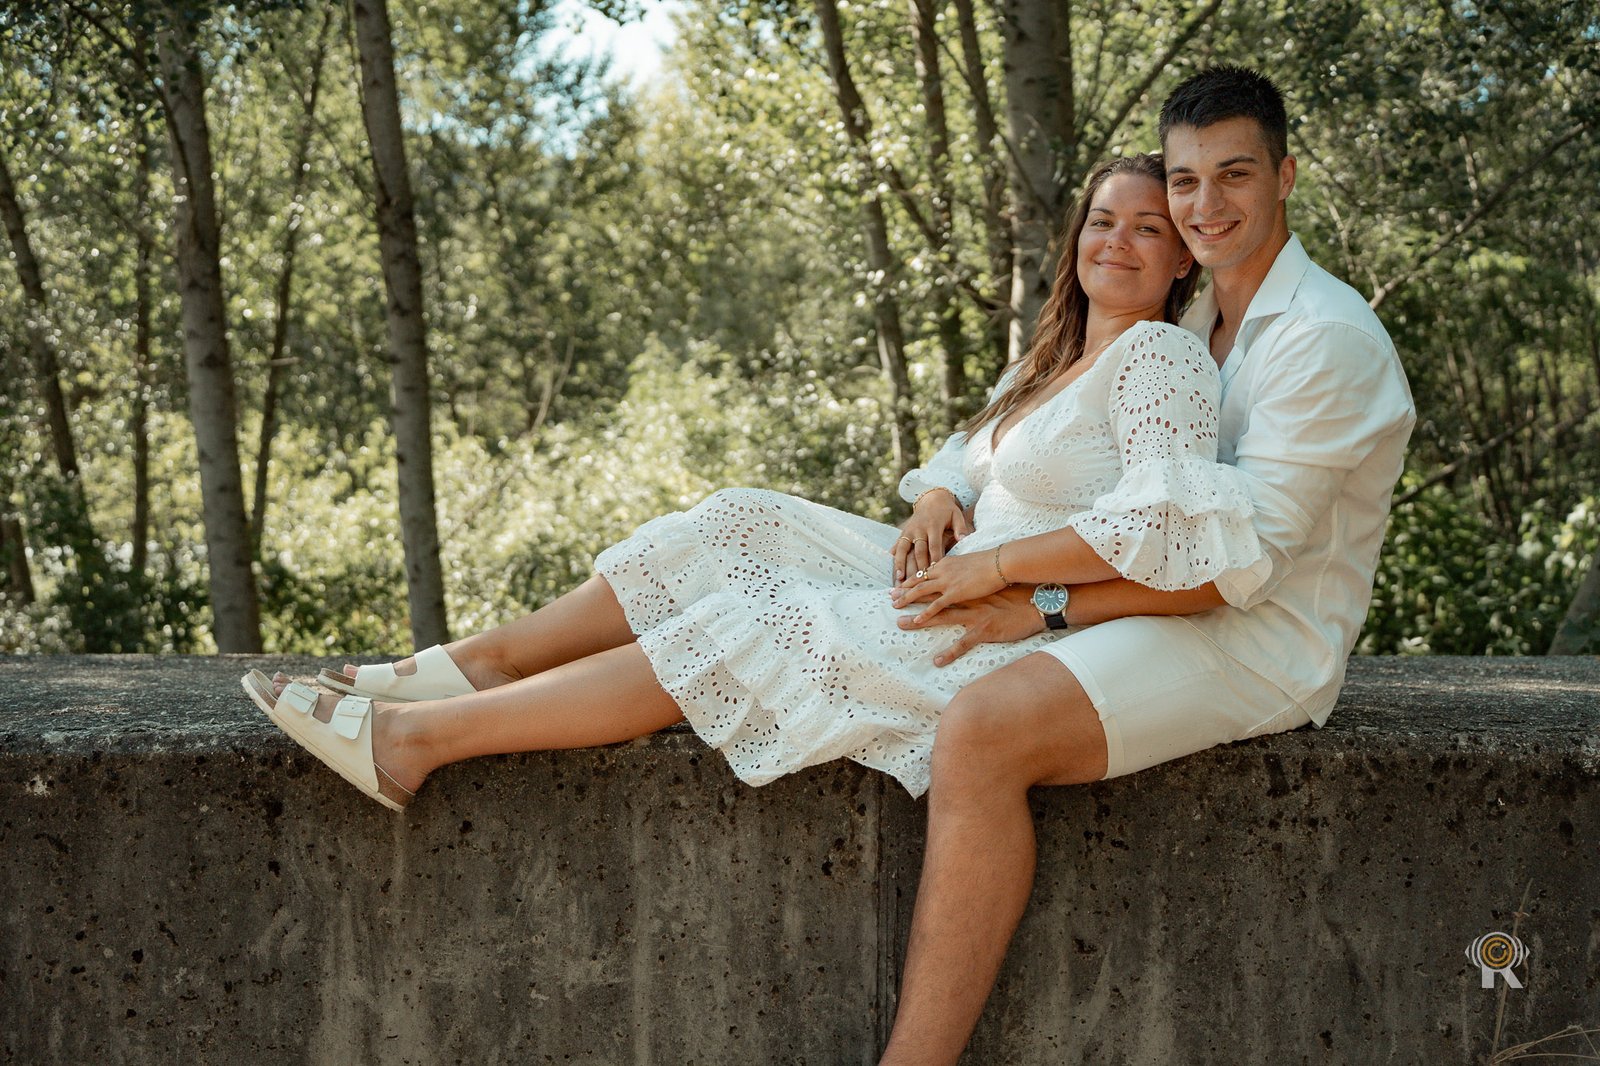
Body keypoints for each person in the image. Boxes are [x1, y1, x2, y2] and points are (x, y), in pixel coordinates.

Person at [243, 150, 1255, 813]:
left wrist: (1019, 587)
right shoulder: (1056, 357)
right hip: (955, 569)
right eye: (1101, 221)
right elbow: (971, 450)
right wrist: (938, 495)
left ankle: (417, 738)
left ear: (1181, 264)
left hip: (1007, 626)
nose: (1115, 242)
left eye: (1146, 230)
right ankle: (481, 661)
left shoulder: (1160, 358)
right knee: (735, 522)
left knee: (751, 622)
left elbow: (1167, 536)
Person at [871, 65, 1416, 1064]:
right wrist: (952, 501)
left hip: (1255, 638)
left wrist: (1037, 600)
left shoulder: (1325, 340)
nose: (1205, 205)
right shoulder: (1193, 321)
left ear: (1285, 176)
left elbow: (1231, 573)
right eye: (1186, 180)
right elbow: (1054, 439)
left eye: (1234, 175)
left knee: (982, 729)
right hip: (1155, 596)